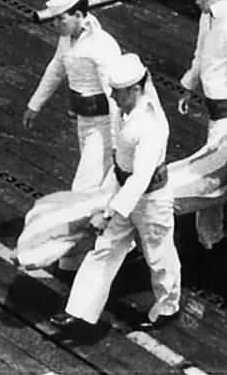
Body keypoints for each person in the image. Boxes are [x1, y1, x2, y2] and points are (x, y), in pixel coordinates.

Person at [50, 53, 182, 336]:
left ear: (135, 89)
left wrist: (108, 212)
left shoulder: (149, 125)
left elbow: (141, 177)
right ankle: (78, 310)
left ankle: (168, 306)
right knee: (104, 249)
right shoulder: (124, 114)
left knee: (159, 256)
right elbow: (121, 166)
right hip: (124, 193)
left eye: (117, 91)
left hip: (151, 200)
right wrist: (105, 202)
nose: (112, 95)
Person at [24, 0, 125, 194]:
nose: (55, 24)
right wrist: (35, 105)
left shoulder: (101, 45)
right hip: (84, 120)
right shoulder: (66, 38)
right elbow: (56, 69)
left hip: (103, 125)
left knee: (83, 187)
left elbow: (115, 97)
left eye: (61, 18)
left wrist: (116, 142)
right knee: (97, 181)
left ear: (78, 15)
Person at [177, 0, 227, 251]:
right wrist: (188, 86)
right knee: (221, 173)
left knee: (213, 176)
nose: (197, 2)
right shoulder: (209, 17)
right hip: (215, 109)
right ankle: (211, 236)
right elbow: (201, 54)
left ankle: (210, 239)